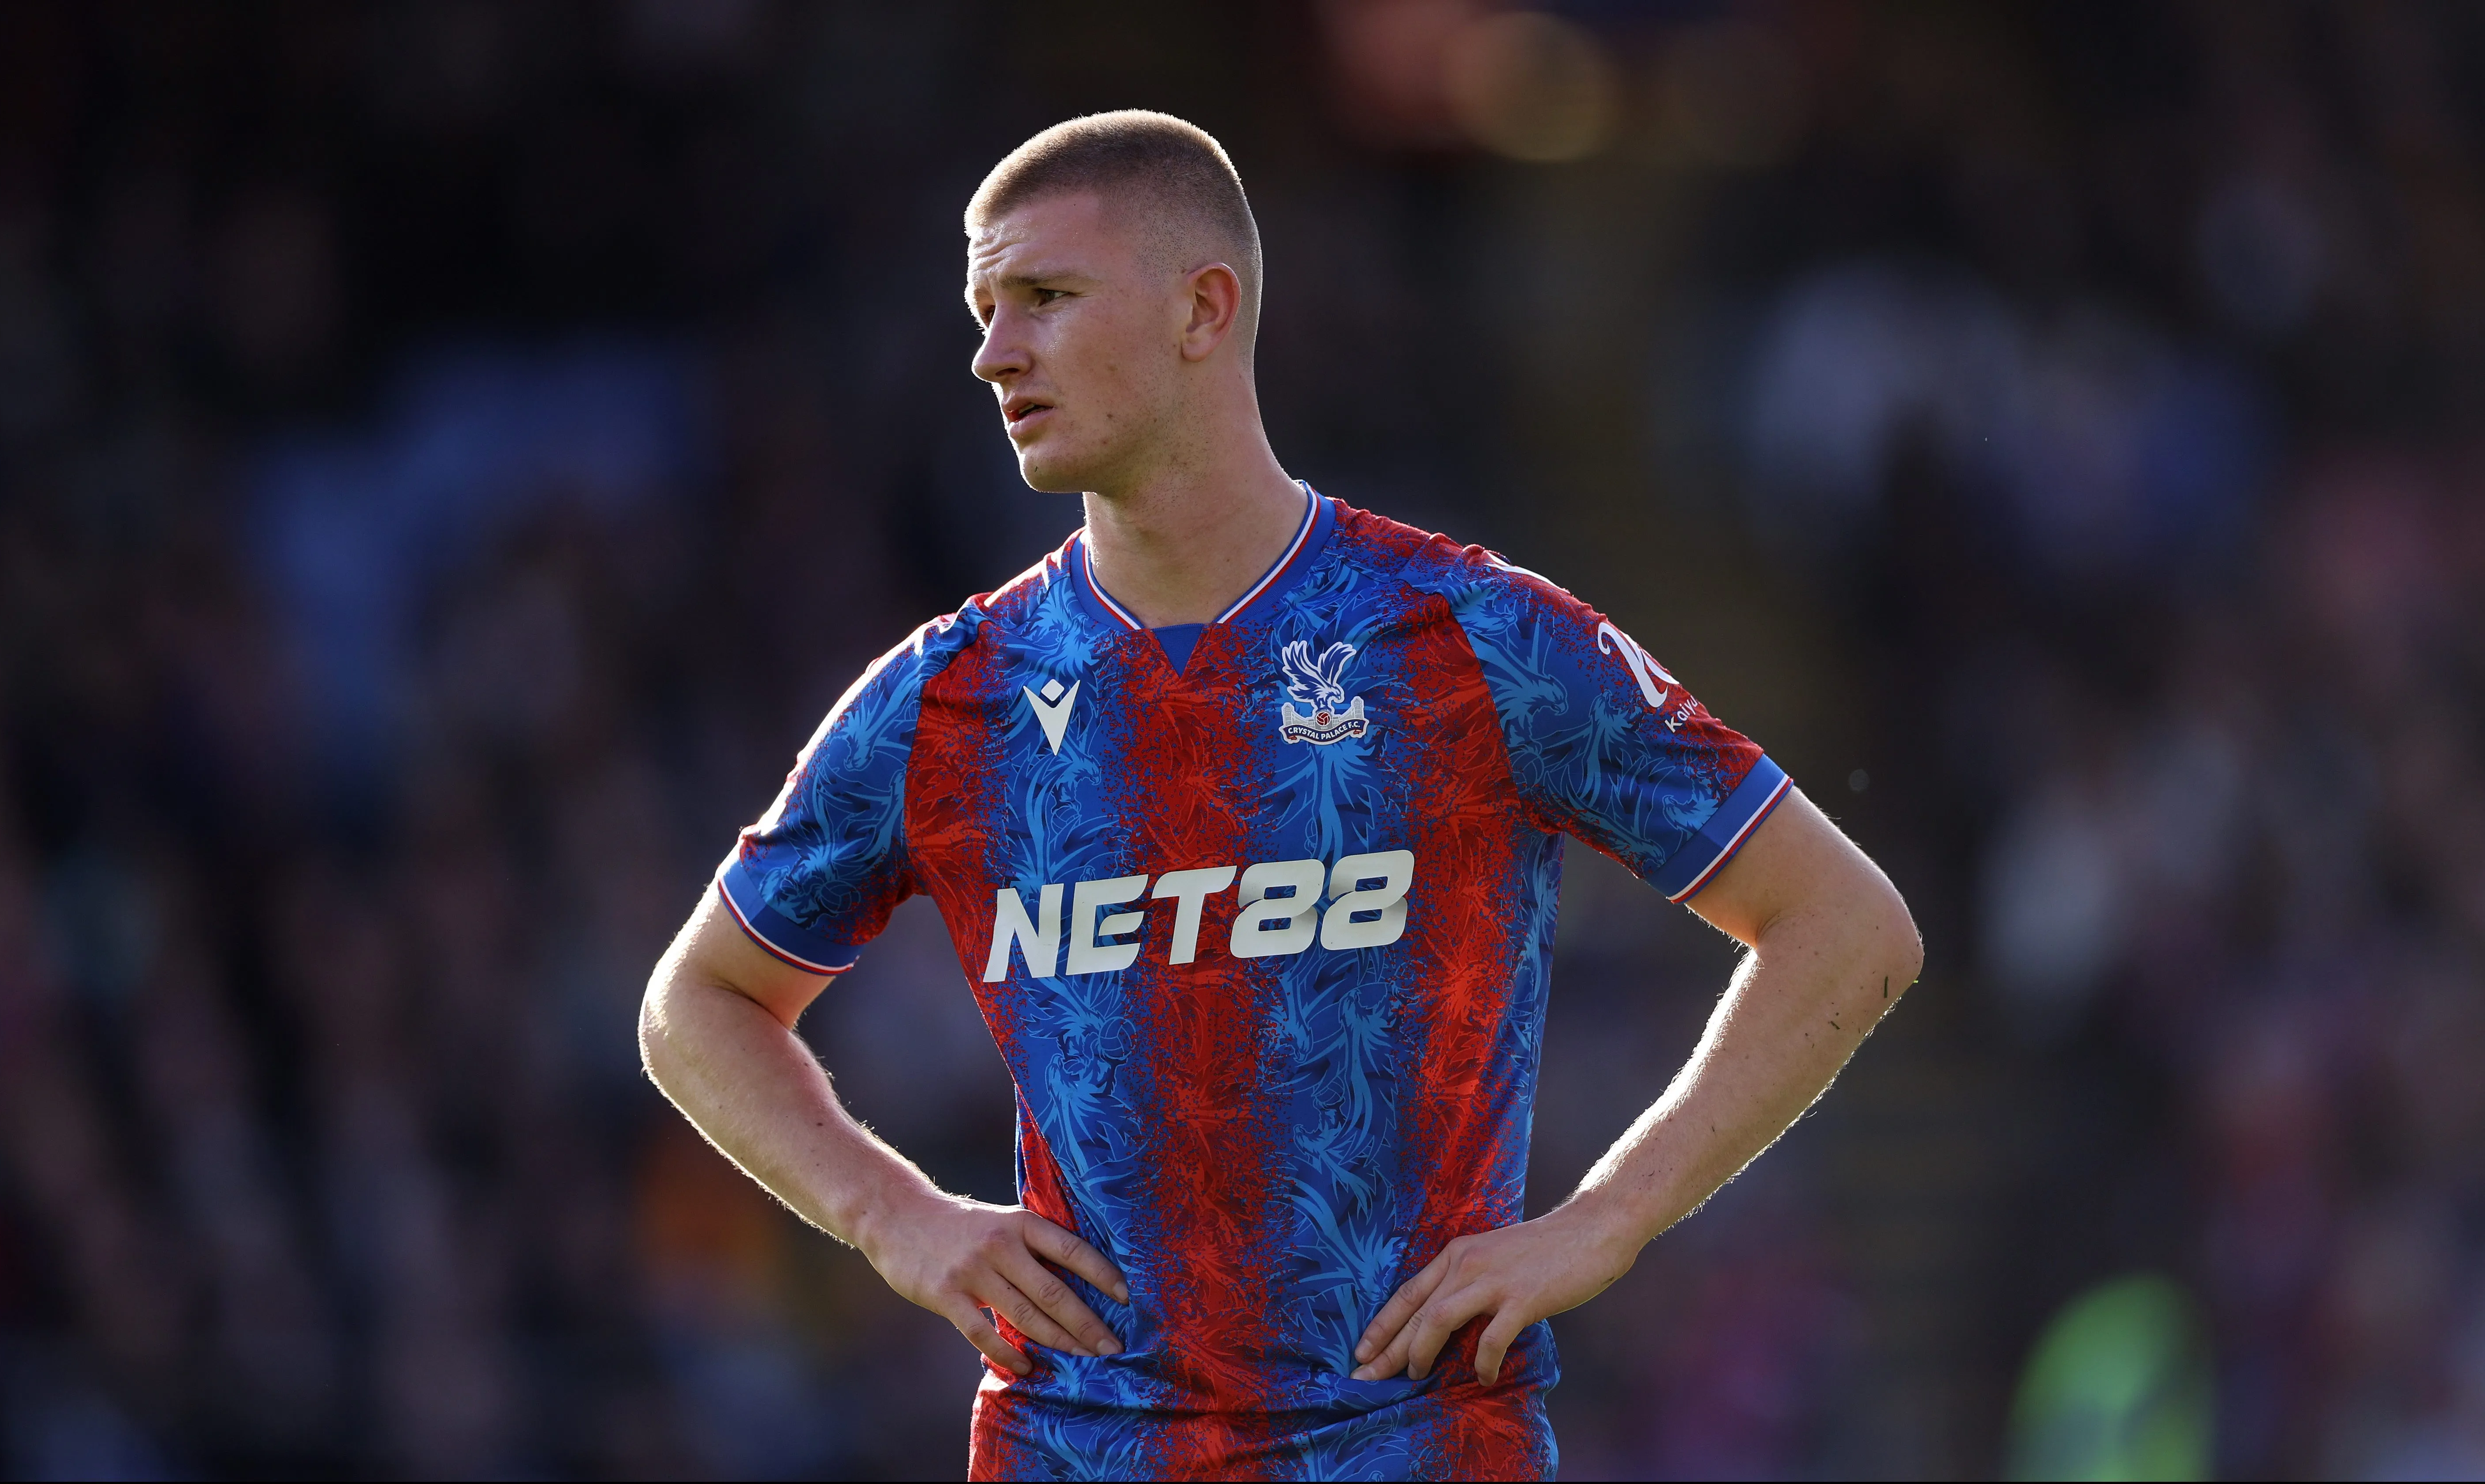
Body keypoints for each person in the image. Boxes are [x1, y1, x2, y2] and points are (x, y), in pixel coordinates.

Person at [639, 109, 1921, 1481]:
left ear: (1206, 309)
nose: (993, 350)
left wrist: (1607, 1216)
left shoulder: (1467, 640)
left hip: (1415, 1442)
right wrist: (891, 1215)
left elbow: (1847, 927)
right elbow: (696, 1005)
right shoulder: (951, 698)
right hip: (1079, 1448)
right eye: (984, 308)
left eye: (1047, 299)